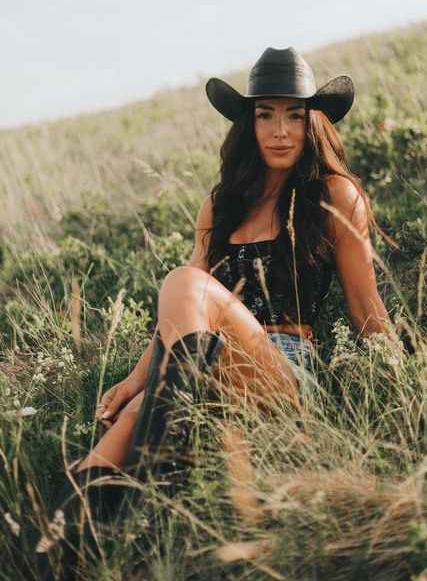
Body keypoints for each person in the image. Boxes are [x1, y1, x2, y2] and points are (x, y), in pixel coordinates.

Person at [31, 46, 394, 574]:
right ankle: (57, 546)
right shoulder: (220, 205)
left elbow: (366, 306)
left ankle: (154, 476)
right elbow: (184, 314)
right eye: (265, 114)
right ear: (247, 123)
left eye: (295, 115)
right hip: (203, 366)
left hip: (284, 372)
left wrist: (404, 387)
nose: (280, 130)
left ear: (313, 121)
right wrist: (136, 379)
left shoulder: (334, 193)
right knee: (132, 413)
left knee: (185, 283)